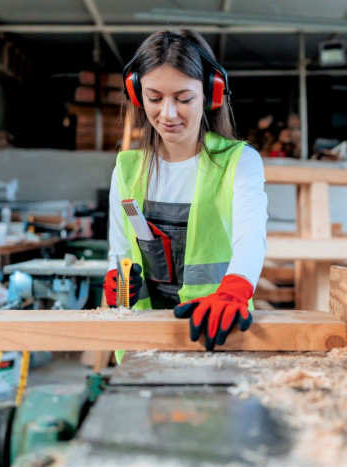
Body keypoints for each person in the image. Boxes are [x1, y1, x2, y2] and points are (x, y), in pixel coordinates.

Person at [104, 30, 268, 360]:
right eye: (154, 98)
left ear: (211, 93)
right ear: (137, 95)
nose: (167, 114)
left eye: (183, 98)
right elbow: (119, 251)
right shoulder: (127, 169)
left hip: (218, 332)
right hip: (146, 339)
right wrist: (118, 287)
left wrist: (235, 289)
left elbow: (251, 237)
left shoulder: (239, 162)